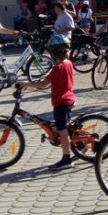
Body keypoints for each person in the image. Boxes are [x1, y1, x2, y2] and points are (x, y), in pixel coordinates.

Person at [16, 34, 76, 170]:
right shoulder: (68, 63)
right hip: (68, 98)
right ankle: (79, 146)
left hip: (61, 103)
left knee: (62, 130)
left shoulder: (58, 67)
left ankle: (66, 158)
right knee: (64, 127)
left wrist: (24, 84)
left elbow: (43, 84)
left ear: (54, 52)